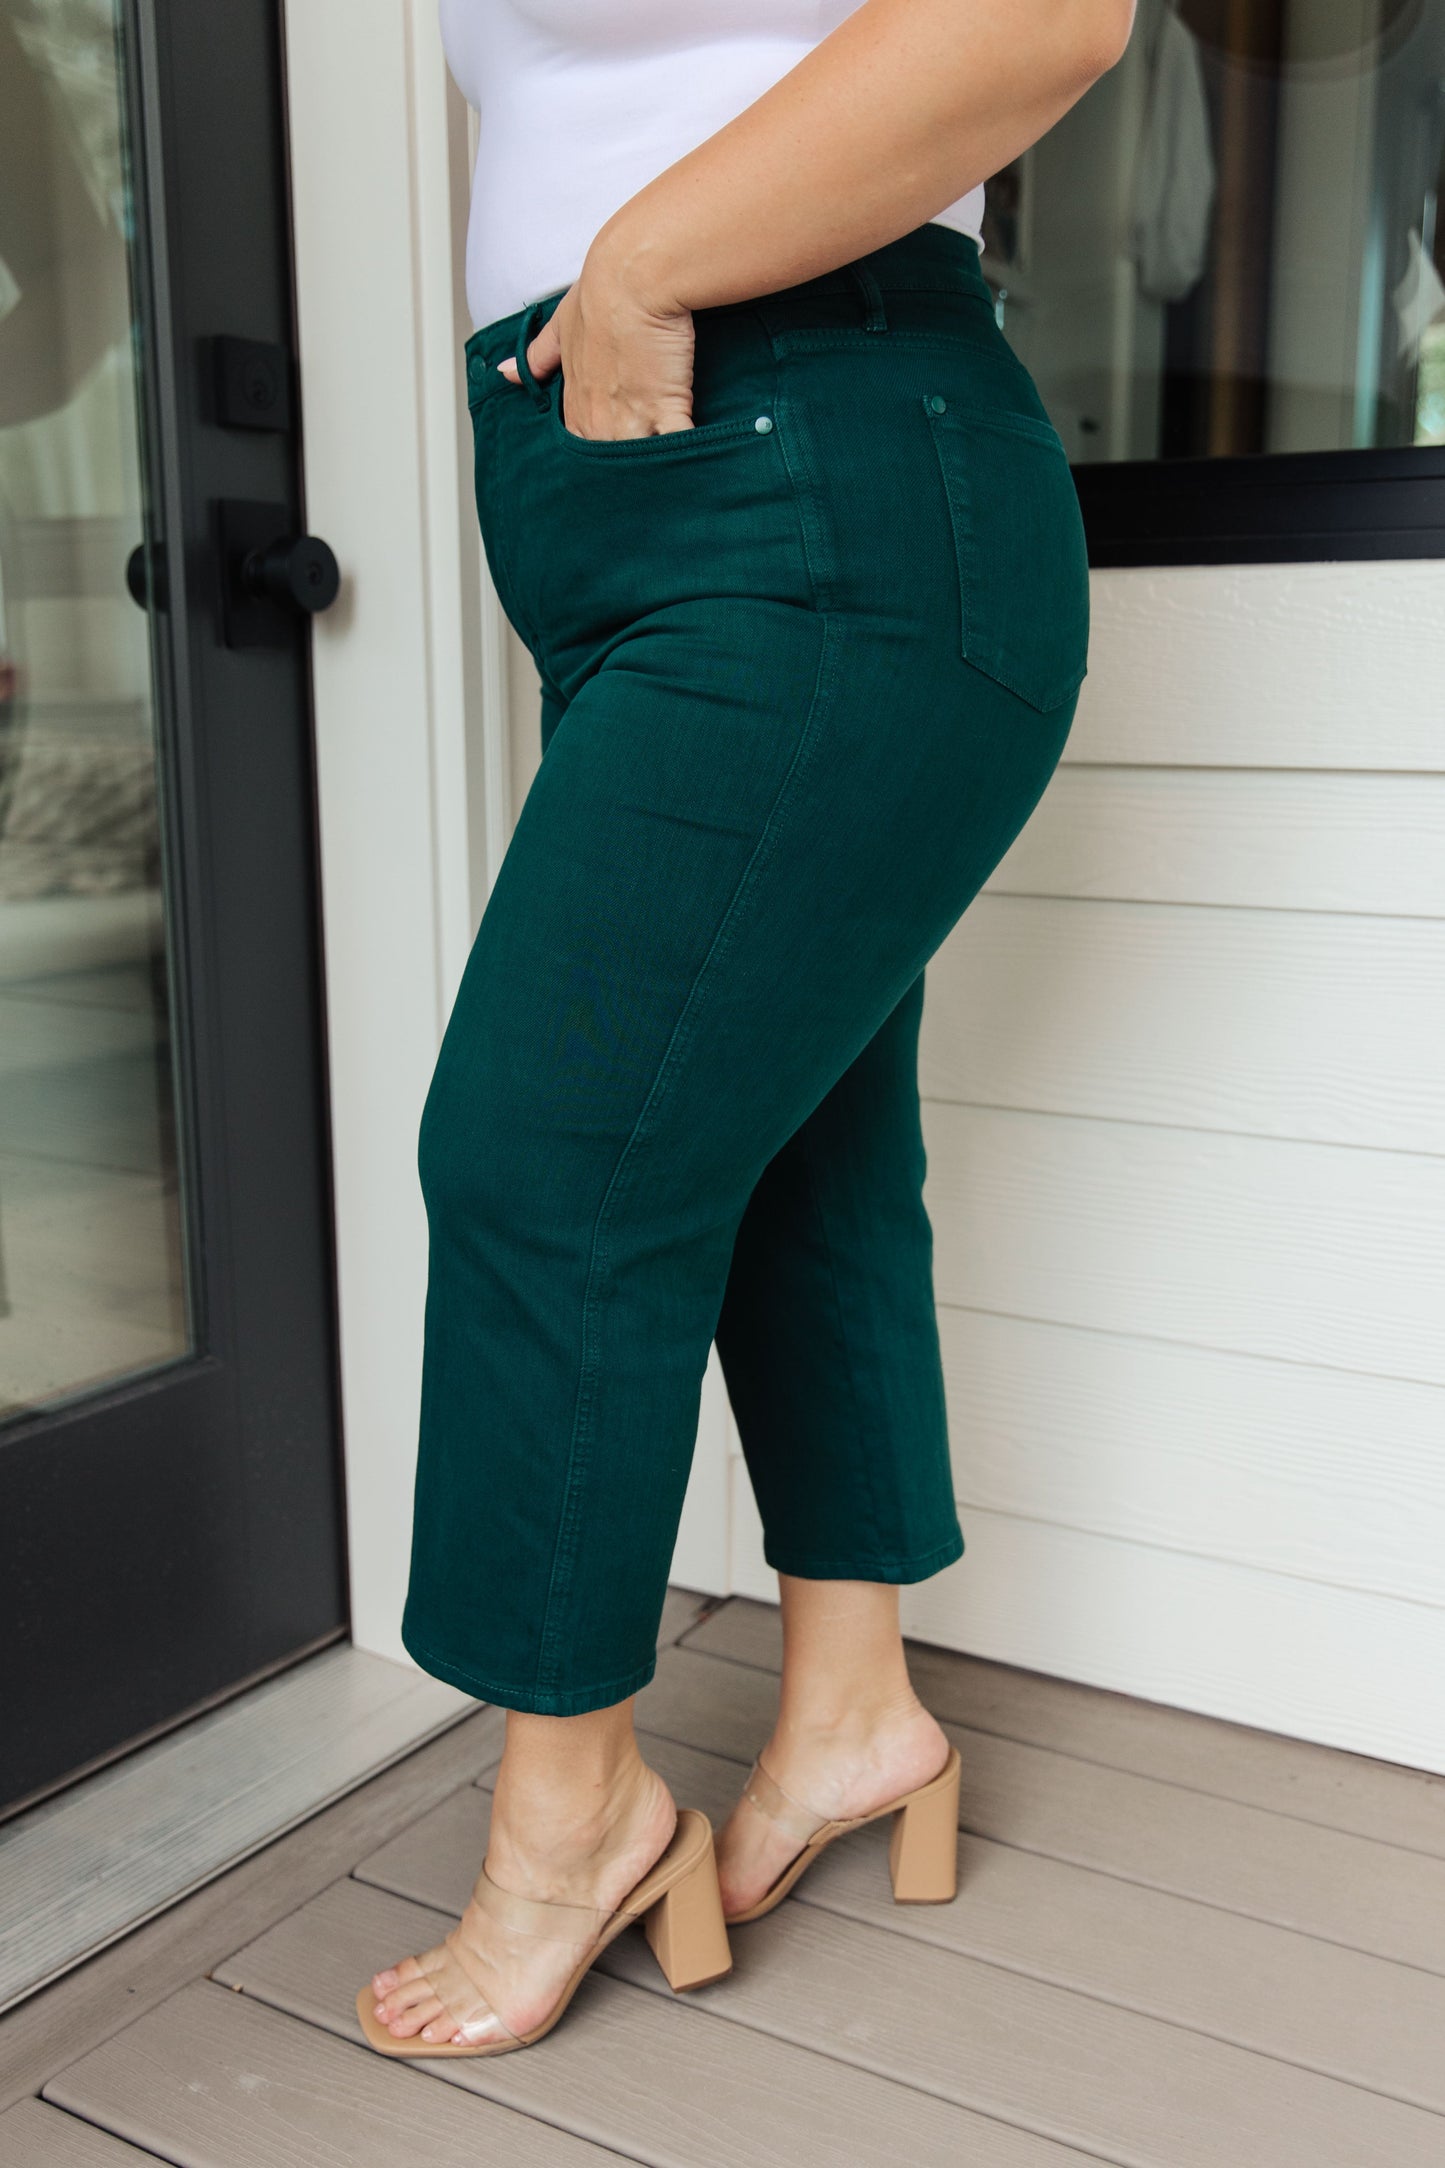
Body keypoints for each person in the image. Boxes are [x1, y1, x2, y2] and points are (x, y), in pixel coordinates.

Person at [358, 0, 1133, 2060]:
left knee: (542, 1152)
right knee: (794, 1140)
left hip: (813, 463)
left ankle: (572, 1817)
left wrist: (639, 263)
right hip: (684, 510)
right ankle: (857, 1708)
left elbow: (1046, 12)